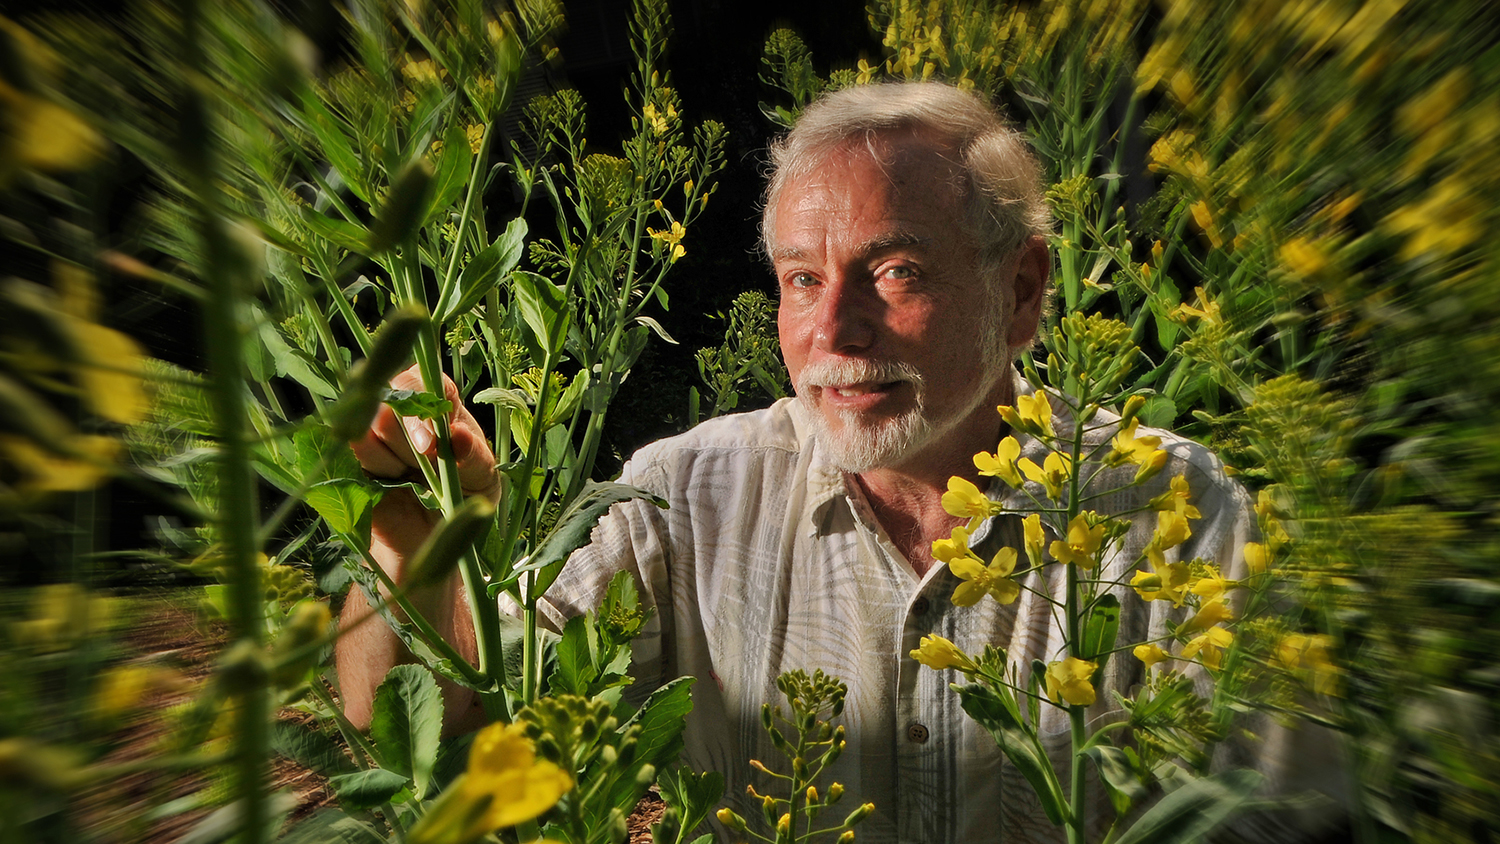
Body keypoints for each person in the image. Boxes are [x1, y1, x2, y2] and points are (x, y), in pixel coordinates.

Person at [339, 82, 1326, 843]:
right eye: (803, 279)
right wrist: (412, 521)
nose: (835, 333)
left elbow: (1287, 815)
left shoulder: (1175, 507)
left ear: (1022, 290)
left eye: (896, 272)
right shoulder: (685, 495)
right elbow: (443, 706)